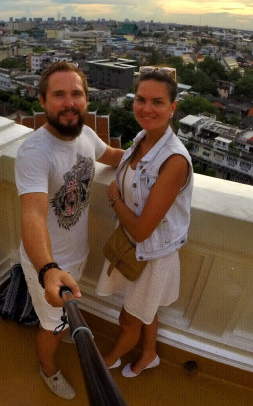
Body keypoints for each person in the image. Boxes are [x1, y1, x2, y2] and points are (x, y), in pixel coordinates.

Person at [15, 61, 124, 400]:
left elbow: (112, 155)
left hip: (76, 254)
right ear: (43, 101)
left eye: (76, 94)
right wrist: (48, 270)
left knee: (61, 321)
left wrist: (155, 158)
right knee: (53, 327)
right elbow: (33, 215)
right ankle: (48, 368)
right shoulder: (35, 152)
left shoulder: (86, 135)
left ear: (86, 100)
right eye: (58, 95)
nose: (68, 103)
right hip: (49, 265)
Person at [97, 65, 194, 378]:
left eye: (157, 102)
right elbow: (123, 160)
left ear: (173, 108)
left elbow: (141, 230)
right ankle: (149, 354)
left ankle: (108, 360)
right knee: (145, 310)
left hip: (152, 254)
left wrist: (114, 199)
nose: (146, 108)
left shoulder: (174, 160)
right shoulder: (144, 138)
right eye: (141, 99)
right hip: (136, 249)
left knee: (129, 319)